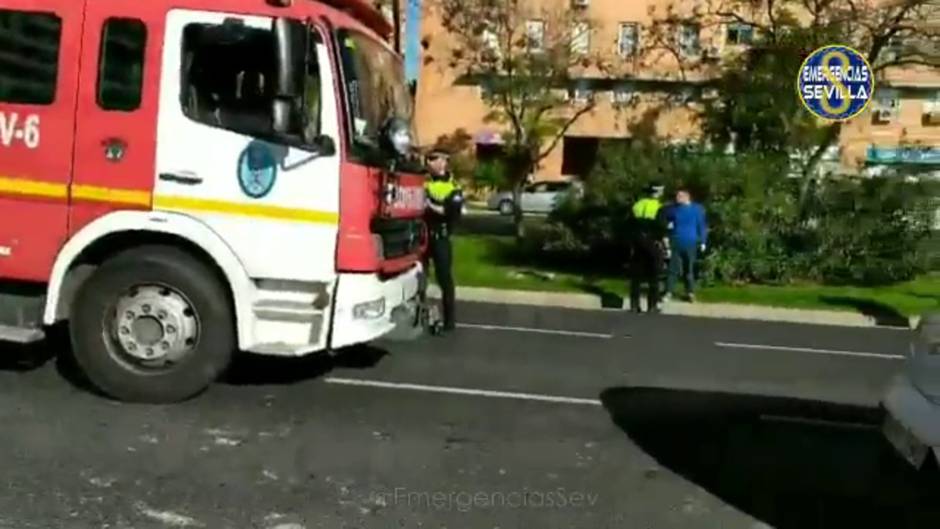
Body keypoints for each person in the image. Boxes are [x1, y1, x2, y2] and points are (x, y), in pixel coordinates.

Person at [423, 149, 463, 333]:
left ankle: (449, 321)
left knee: (444, 279)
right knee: (418, 278)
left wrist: (428, 204)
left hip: (441, 237)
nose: (431, 163)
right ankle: (421, 315)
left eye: (436, 159)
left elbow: (449, 212)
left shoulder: (452, 187)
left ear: (444, 162)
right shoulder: (422, 182)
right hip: (422, 237)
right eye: (430, 159)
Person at [629, 183, 667, 313]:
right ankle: (652, 305)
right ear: (657, 192)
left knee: (636, 275)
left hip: (638, 241)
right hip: (652, 242)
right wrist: (663, 242)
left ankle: (634, 305)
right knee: (654, 274)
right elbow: (661, 227)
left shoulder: (638, 205)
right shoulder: (659, 207)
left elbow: (630, 223)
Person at [665, 187, 707, 302]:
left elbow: (702, 226)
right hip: (676, 241)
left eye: (680, 196)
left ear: (687, 197)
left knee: (689, 269)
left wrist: (703, 241)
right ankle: (668, 291)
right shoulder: (674, 210)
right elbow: (667, 220)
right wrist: (668, 232)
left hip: (690, 242)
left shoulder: (696, 209)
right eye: (677, 196)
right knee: (673, 269)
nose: (677, 198)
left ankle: (690, 292)